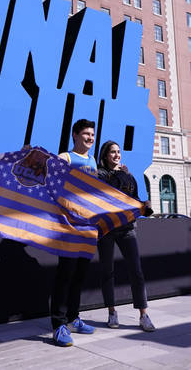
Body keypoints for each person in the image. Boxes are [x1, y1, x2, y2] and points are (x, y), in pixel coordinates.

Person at [96, 140, 155, 332]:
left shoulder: (128, 176)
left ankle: (143, 315)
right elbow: (109, 193)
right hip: (106, 229)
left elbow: (133, 200)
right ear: (105, 155)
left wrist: (143, 205)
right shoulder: (100, 175)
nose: (117, 155)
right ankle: (112, 311)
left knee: (136, 271)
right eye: (112, 152)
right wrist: (121, 174)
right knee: (107, 271)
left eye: (118, 152)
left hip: (127, 228)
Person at [51, 119, 98, 347]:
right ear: (75, 135)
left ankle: (73, 318)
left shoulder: (93, 161)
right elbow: (49, 175)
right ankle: (58, 325)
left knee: (79, 276)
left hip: (88, 227)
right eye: (86, 134)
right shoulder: (66, 157)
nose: (90, 138)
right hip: (68, 226)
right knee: (65, 275)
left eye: (92, 134)